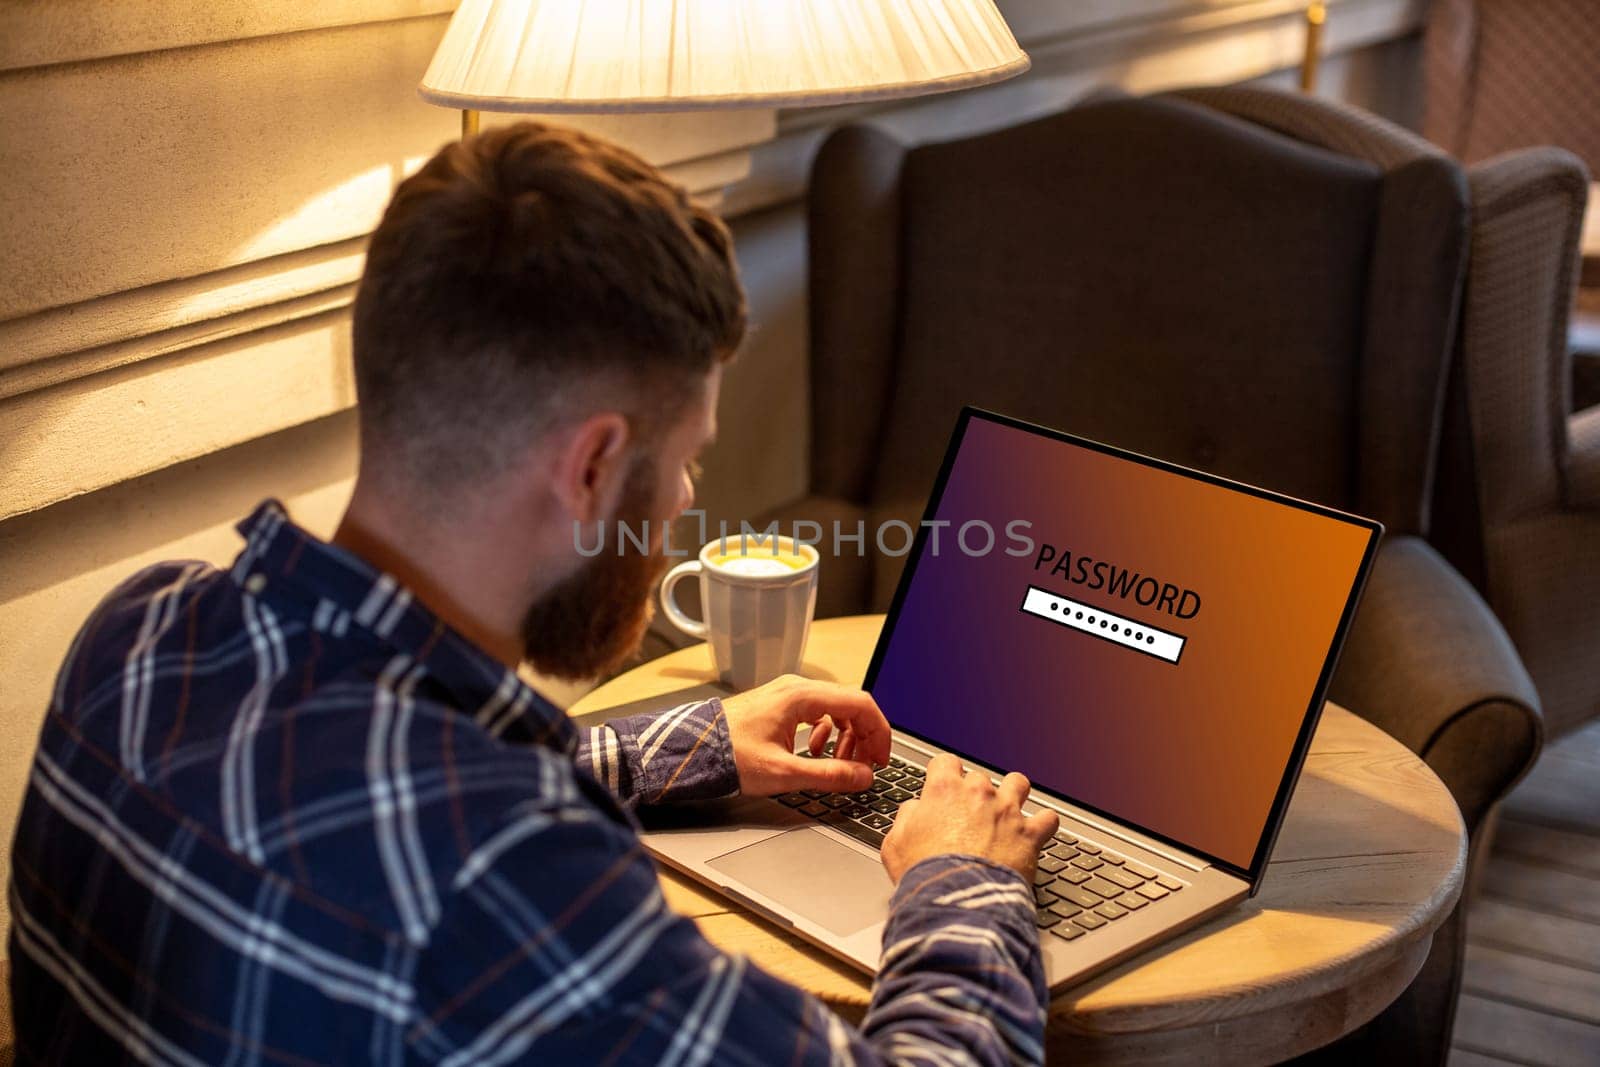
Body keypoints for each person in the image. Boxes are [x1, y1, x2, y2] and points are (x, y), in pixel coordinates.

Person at [8, 123, 1059, 1065]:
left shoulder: (139, 633)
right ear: (592, 466)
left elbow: (365, 771)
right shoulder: (511, 877)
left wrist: (680, 749)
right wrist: (960, 877)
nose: (685, 498)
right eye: (685, 458)